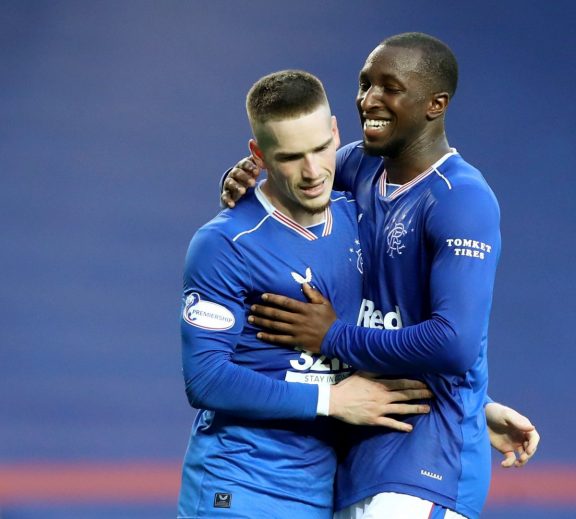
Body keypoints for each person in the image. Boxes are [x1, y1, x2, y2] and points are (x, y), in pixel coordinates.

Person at [222, 33, 539, 519]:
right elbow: (291, 186)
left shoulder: (461, 199)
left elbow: (453, 343)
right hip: (360, 457)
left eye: (390, 87)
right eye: (364, 83)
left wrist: (332, 336)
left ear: (436, 104)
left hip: (425, 467)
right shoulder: (357, 167)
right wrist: (248, 176)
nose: (369, 100)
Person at [179, 69, 435, 519]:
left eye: (321, 148)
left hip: (321, 494)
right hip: (239, 488)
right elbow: (206, 379)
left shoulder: (358, 215)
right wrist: (331, 401)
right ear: (259, 155)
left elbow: (384, 332)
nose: (314, 172)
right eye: (292, 157)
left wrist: (475, 410)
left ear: (336, 132)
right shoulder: (225, 243)